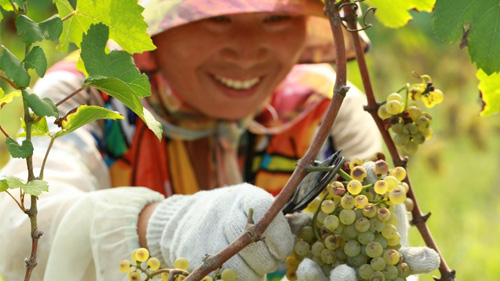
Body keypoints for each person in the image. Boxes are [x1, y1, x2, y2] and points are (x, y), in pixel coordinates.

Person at [0, 0, 439, 280]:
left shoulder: (325, 110)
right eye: (218, 18)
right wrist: (157, 228)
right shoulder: (85, 94)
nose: (247, 51)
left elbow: (375, 233)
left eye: (276, 18)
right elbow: (22, 233)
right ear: (156, 25)